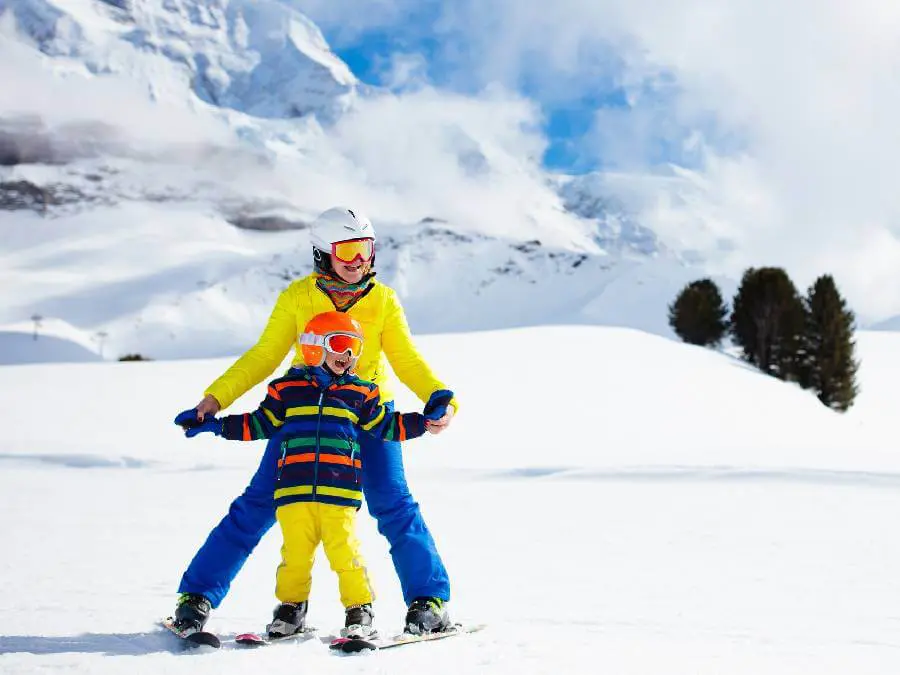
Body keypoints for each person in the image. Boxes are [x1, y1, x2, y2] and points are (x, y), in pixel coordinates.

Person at [171, 206, 458, 636]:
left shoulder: (383, 299)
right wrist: (215, 398)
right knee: (259, 503)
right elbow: (264, 356)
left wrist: (438, 395)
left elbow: (405, 358)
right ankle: (196, 597)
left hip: (369, 412)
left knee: (392, 503)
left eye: (366, 248)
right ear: (324, 253)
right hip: (302, 411)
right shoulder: (298, 297)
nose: (359, 260)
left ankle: (428, 600)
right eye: (348, 249)